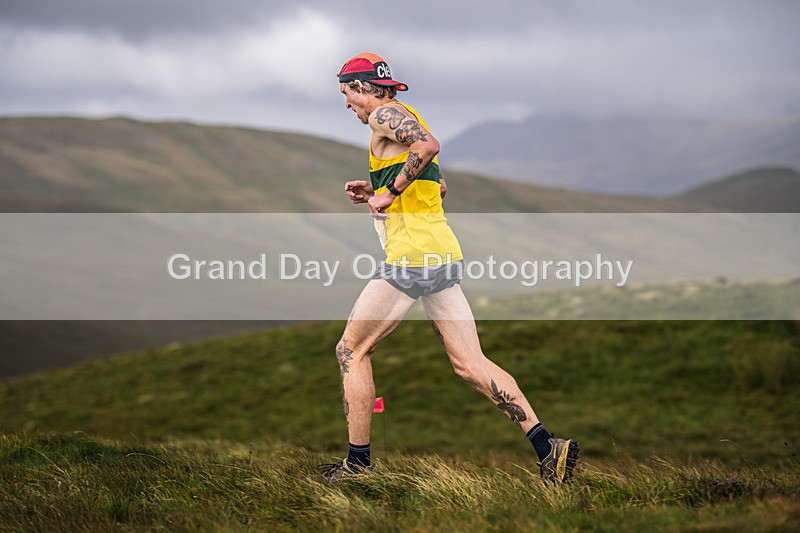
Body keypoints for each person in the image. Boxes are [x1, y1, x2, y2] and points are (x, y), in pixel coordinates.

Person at [319, 52, 579, 484]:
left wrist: (390, 192)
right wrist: (377, 188)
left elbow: (427, 148)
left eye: (346, 93)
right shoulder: (406, 115)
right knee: (470, 364)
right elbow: (437, 185)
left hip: (411, 258)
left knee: (351, 351)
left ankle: (357, 465)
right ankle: (548, 448)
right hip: (441, 256)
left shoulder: (384, 115)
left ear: (363, 88)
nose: (346, 103)